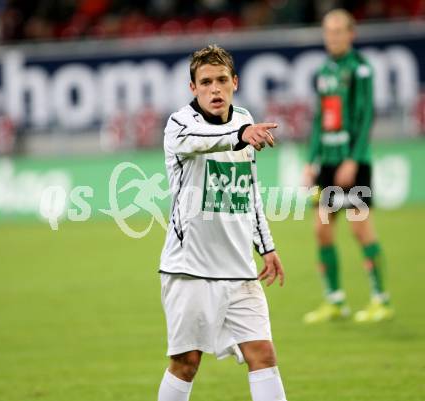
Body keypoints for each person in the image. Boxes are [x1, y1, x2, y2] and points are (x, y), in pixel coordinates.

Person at [158, 44, 287, 401]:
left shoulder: (246, 122)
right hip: (190, 268)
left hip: (238, 268)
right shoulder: (180, 124)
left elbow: (250, 190)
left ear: (235, 82)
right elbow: (198, 143)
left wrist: (267, 246)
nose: (214, 89)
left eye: (221, 80)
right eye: (205, 82)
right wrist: (239, 134)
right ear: (193, 89)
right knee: (186, 362)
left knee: (262, 354)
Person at [302, 9, 394, 324]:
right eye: (329, 31)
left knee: (360, 227)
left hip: (353, 162)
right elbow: (318, 119)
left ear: (351, 34)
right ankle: (335, 301)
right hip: (327, 163)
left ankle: (381, 299)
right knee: (322, 230)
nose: (334, 37)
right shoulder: (324, 71)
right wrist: (310, 161)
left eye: (339, 31)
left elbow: (366, 115)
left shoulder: (361, 69)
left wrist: (353, 158)